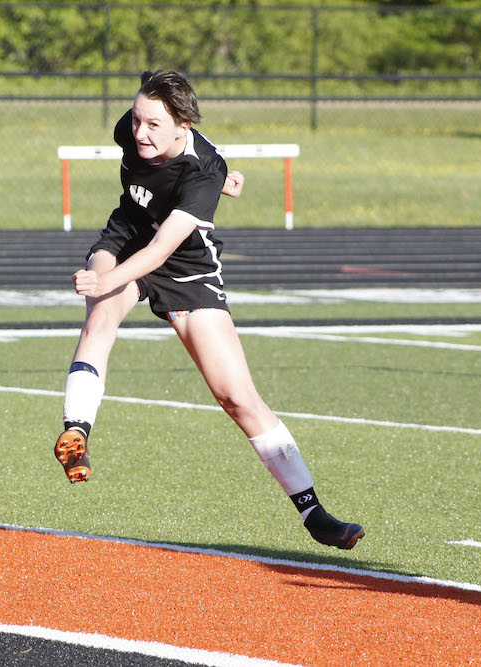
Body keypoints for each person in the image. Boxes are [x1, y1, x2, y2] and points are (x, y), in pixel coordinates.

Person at [54, 70, 364, 550]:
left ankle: (314, 512)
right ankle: (76, 431)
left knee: (236, 397)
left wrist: (102, 279)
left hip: (184, 268)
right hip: (125, 238)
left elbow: (161, 252)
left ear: (183, 126)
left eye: (154, 125)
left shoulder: (203, 171)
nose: (140, 133)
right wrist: (105, 279)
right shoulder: (132, 130)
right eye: (138, 119)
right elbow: (147, 218)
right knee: (100, 319)